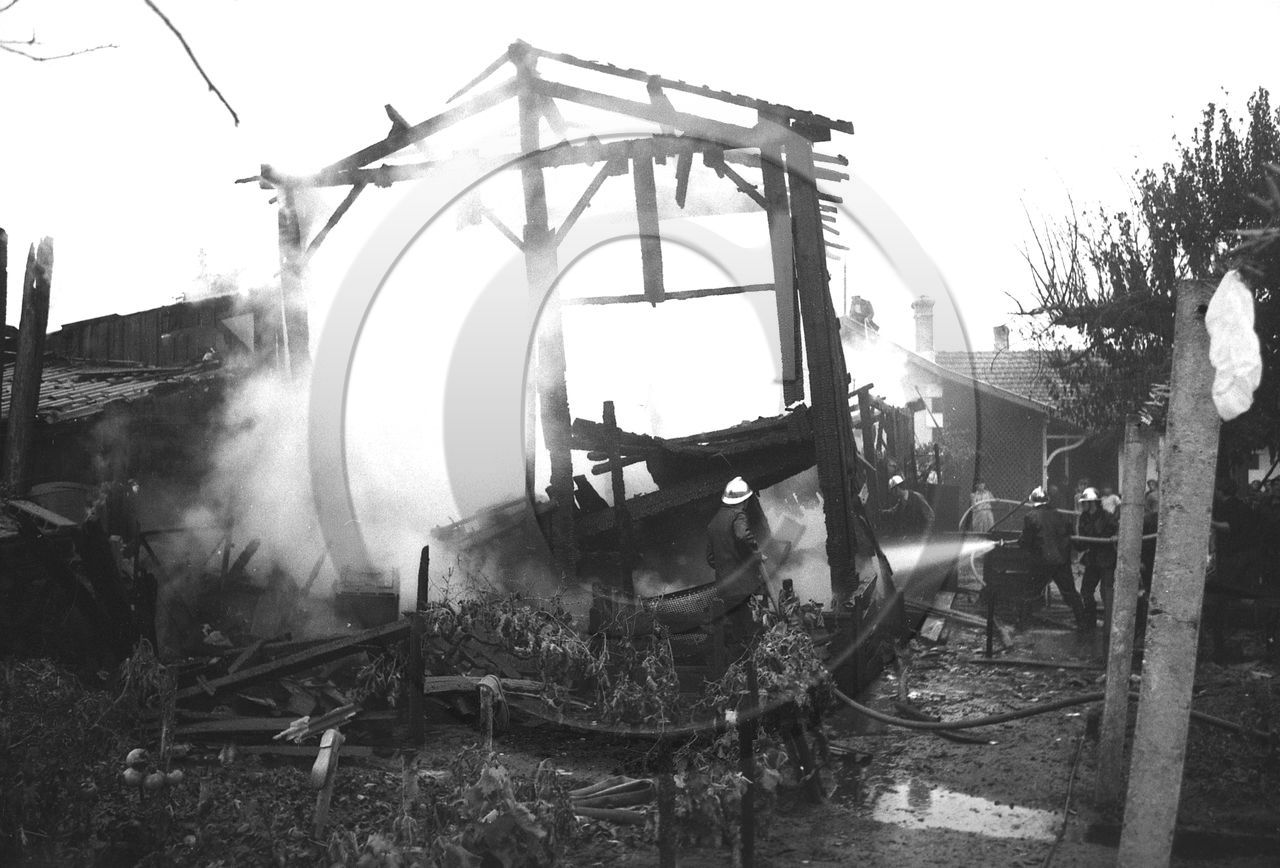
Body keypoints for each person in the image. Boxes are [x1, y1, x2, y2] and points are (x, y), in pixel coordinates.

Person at [706, 476, 767, 645]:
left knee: (738, 634)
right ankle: (757, 668)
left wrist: (727, 565)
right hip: (745, 586)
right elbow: (742, 536)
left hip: (725, 588)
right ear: (744, 501)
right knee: (754, 633)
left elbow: (710, 558)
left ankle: (743, 667)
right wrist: (756, 554)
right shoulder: (738, 515)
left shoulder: (713, 522)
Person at [1020, 486, 1089, 631]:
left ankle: (1022, 625)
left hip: (1042, 562)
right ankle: (1083, 623)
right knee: (1070, 593)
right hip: (1061, 562)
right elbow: (1068, 533)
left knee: (1029, 592)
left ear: (1033, 501)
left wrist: (1022, 543)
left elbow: (1026, 542)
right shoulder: (1059, 515)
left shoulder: (1030, 516)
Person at [1075, 487, 1118, 634]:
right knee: (1086, 591)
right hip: (1093, 559)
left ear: (1093, 502)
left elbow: (1112, 531)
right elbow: (1083, 540)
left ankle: (1109, 624)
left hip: (1106, 558)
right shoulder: (1084, 518)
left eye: (1086, 502)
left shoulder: (1106, 516)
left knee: (1106, 591)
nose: (1083, 505)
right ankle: (1090, 622)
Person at [881, 474, 935, 539]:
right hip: (910, 540)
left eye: (892, 490)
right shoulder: (901, 502)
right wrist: (880, 512)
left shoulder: (917, 497)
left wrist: (925, 535)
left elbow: (930, 515)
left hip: (921, 539)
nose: (892, 494)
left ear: (897, 488)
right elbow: (893, 511)